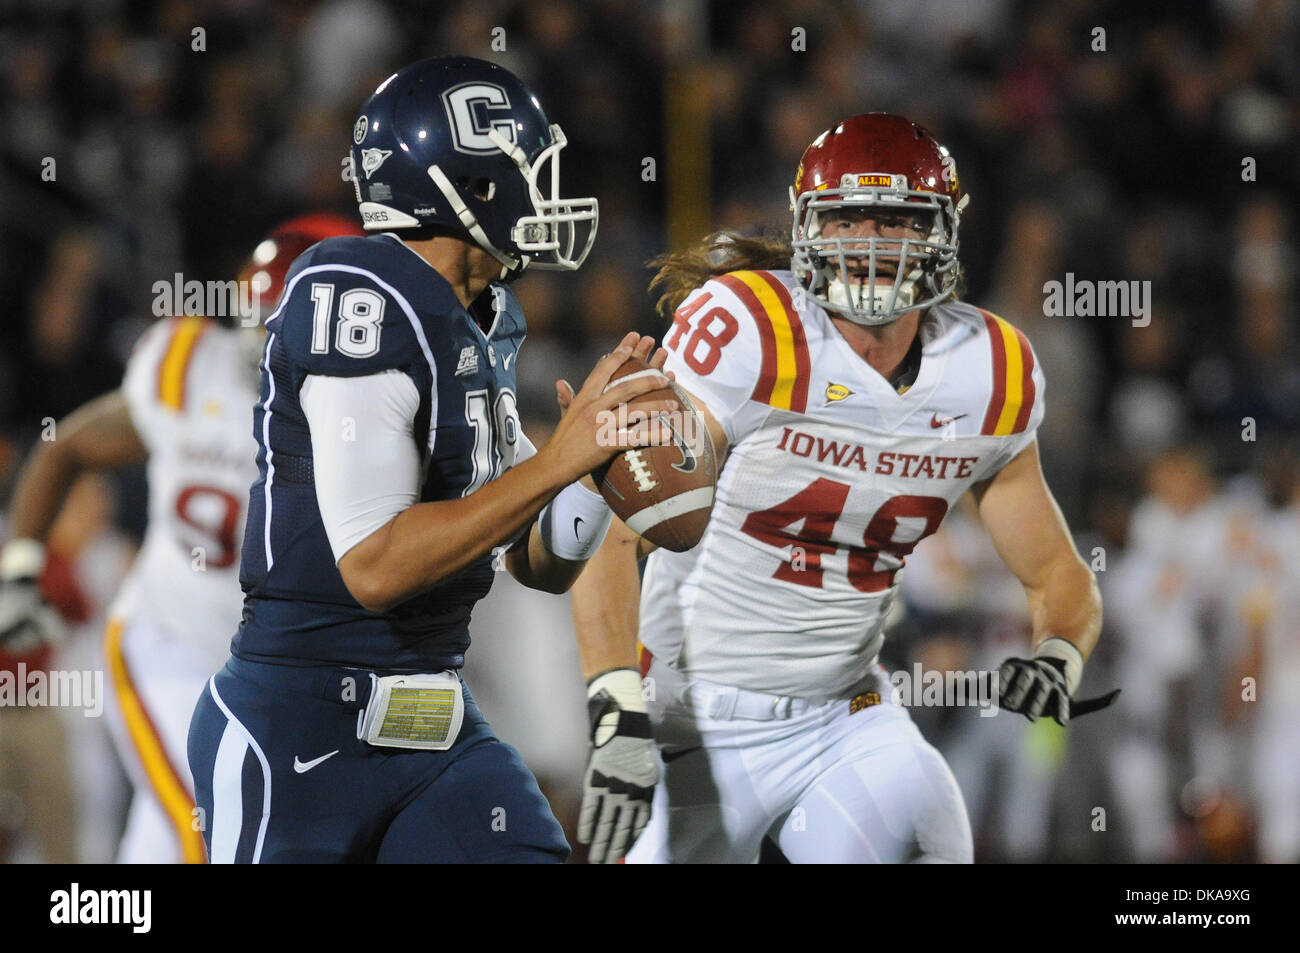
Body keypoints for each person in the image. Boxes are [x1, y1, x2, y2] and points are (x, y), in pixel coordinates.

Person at [571, 113, 1114, 864]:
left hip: (844, 714)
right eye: (847, 218)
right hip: (693, 719)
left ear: (945, 233)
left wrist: (1058, 654)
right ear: (805, 228)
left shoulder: (990, 371)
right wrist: (615, 706)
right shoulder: (752, 331)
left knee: (931, 832)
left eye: (894, 220)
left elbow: (1057, 570)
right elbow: (615, 524)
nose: (867, 241)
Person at [186, 55, 669, 864]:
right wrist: (557, 460)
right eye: (527, 172)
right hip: (298, 726)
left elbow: (538, 562)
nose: (544, 194)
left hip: (432, 722)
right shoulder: (361, 291)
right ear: (470, 188)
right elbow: (374, 565)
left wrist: (594, 471)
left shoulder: (483, 316)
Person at [0, 213, 363, 863]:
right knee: (209, 832)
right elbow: (68, 448)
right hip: (163, 649)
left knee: (173, 842)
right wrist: (20, 568)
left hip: (263, 676)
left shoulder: (373, 420)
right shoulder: (191, 365)